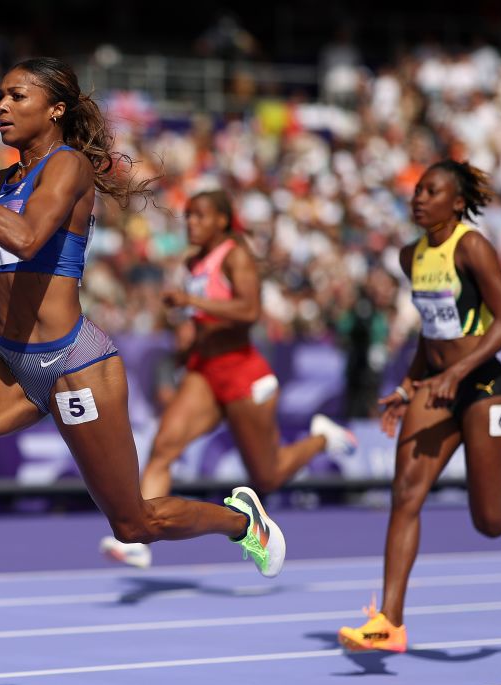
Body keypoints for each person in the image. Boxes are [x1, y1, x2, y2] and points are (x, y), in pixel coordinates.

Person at [0, 58, 285, 684]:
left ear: (54, 108)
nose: (2, 105)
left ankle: (240, 521)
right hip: (9, 363)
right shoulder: (8, 174)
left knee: (132, 521)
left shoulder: (69, 165)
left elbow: (31, 239)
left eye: (18, 95)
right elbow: (10, 269)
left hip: (73, 366)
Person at [338, 160, 501, 653]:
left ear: (457, 202)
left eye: (431, 190)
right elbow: (432, 329)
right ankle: (389, 621)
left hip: (483, 386)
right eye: (417, 190)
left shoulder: (472, 247)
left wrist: (457, 373)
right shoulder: (409, 256)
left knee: (491, 521)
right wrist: (406, 387)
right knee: (405, 494)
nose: (419, 197)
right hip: (435, 388)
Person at [100, 191, 357, 568]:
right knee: (163, 447)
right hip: (205, 372)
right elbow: (202, 317)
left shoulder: (235, 255)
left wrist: (194, 304)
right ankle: (140, 541)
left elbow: (249, 310)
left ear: (222, 220)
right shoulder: (193, 263)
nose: (192, 223)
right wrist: (189, 331)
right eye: (188, 216)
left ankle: (322, 438)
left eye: (201, 217)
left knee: (266, 477)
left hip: (241, 371)